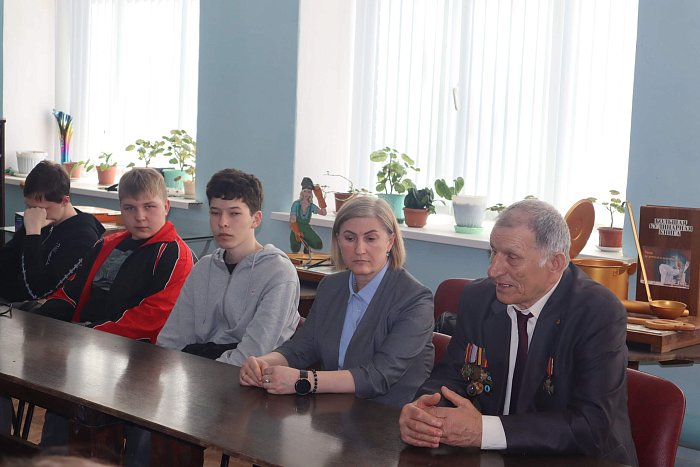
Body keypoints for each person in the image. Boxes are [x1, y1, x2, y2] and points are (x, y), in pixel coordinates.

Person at [399, 199, 638, 466]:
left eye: (511, 257)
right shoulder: (478, 299)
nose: (493, 270)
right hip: (498, 457)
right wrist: (425, 412)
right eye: (493, 252)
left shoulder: (597, 312)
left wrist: (484, 431)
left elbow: (591, 426)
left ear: (555, 263)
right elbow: (451, 377)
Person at [241, 196, 434, 407]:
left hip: (388, 417)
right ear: (338, 241)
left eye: (370, 239)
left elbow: (378, 376)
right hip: (332, 411)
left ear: (390, 241)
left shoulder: (415, 300)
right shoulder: (330, 287)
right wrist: (263, 363)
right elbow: (302, 348)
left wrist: (304, 380)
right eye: (350, 238)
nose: (359, 249)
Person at [157, 168, 301, 363]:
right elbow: (170, 340)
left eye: (234, 213)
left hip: (243, 375)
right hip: (194, 369)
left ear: (256, 219)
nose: (222, 223)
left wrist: (199, 372)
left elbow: (253, 354)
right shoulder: (203, 268)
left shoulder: (278, 273)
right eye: (215, 213)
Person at [34, 167, 193, 341]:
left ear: (166, 207)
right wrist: (41, 320)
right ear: (121, 209)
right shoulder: (105, 245)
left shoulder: (175, 255)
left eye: (149, 206)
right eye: (130, 208)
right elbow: (71, 293)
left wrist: (88, 333)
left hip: (131, 348)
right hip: (84, 337)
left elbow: (152, 318)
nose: (140, 217)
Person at [0, 161, 104, 303]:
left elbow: (36, 292)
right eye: (29, 206)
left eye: (42, 209)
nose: (34, 213)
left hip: (37, 310)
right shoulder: (42, 219)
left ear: (65, 201)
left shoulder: (83, 238)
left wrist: (33, 235)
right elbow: (6, 261)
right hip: (11, 301)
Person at [289, 177, 327, 252]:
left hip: (306, 228)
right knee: (295, 248)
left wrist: (319, 196)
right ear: (302, 192)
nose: (306, 194)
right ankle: (302, 244)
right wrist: (297, 231)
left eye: (309, 192)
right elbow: (292, 219)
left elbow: (324, 213)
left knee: (318, 245)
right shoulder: (296, 204)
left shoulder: (311, 206)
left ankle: (306, 246)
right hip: (296, 228)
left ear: (311, 194)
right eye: (305, 191)